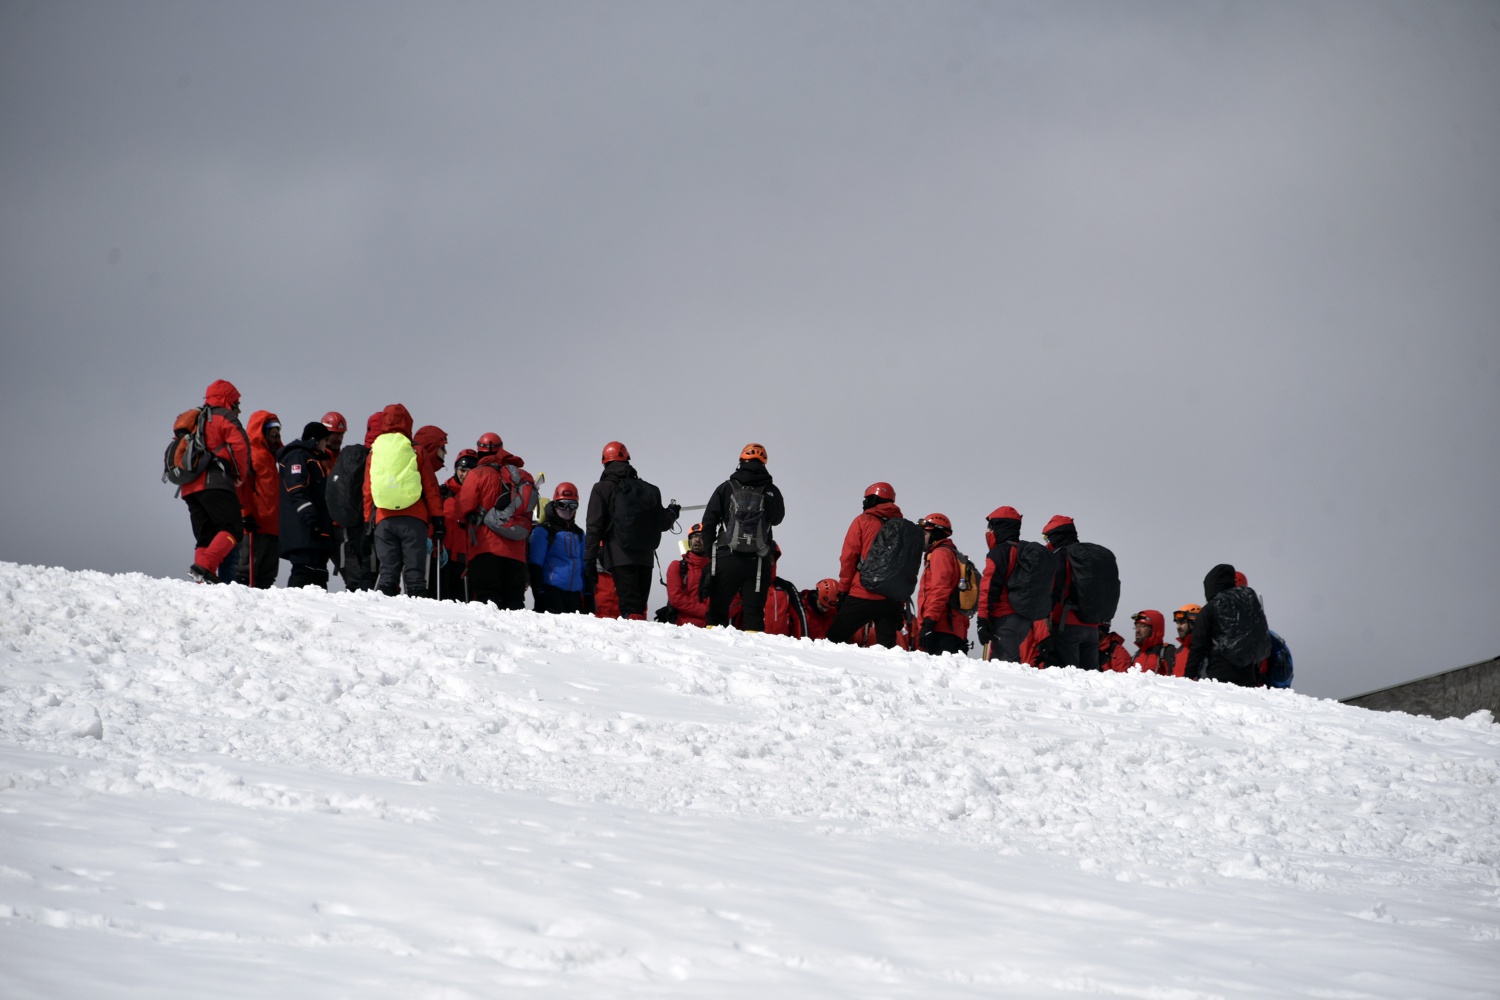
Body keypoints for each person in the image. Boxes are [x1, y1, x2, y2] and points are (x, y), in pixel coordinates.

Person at [583, 441, 679, 621]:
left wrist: (589, 560)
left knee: (630, 608)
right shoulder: (646, 489)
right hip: (646, 558)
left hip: (620, 556)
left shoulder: (602, 488)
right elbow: (664, 523)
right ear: (627, 460)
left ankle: (633, 637)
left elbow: (594, 527)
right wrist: (673, 513)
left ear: (605, 462)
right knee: (639, 608)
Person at [697, 444, 785, 631]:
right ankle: (752, 647)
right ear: (764, 463)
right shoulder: (772, 490)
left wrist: (710, 555)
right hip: (757, 561)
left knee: (717, 611)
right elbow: (777, 519)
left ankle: (712, 646)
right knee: (754, 615)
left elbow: (709, 522)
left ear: (741, 461)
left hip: (727, 557)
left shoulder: (726, 487)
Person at [362, 404, 443, 597]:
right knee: (415, 575)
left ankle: (385, 610)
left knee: (388, 574)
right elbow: (431, 488)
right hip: (414, 519)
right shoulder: (416, 450)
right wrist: (438, 519)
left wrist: (367, 520)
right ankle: (417, 607)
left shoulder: (375, 452)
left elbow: (368, 490)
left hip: (384, 519)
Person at [180, 379, 254, 584]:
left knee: (205, 536)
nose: (239, 409)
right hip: (215, 482)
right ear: (229, 400)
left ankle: (201, 580)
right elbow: (240, 446)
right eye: (237, 404)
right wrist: (240, 475)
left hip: (189, 486)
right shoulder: (224, 416)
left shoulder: (195, 419)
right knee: (233, 528)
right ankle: (205, 567)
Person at [826, 483, 907, 648]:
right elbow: (906, 567)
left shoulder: (862, 521)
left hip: (863, 592)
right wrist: (900, 602)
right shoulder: (903, 527)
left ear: (873, 499)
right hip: (891, 598)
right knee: (888, 650)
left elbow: (848, 558)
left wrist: (843, 590)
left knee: (833, 640)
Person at [457, 439, 535, 609]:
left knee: (488, 600)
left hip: (486, 548)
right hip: (517, 553)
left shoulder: (477, 474)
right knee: (514, 602)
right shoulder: (521, 476)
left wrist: (462, 520)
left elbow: (464, 505)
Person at [1185, 564, 1269, 686]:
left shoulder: (1210, 609)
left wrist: (1187, 679)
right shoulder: (1248, 608)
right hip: (1249, 677)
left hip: (1220, 677)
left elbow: (1197, 647)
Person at [277, 421, 336, 588]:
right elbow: (296, 487)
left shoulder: (316, 459)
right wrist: (311, 518)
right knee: (304, 569)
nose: (327, 444)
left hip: (317, 529)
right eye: (325, 440)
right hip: (303, 528)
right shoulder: (298, 456)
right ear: (315, 440)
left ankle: (319, 605)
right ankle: (294, 603)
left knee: (319, 573)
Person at [1040, 515, 1102, 670]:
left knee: (1066, 678)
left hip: (1066, 625)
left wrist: (1045, 614)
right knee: (1090, 679)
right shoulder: (1089, 556)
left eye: (1046, 538)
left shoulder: (1061, 555)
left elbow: (1054, 588)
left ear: (1054, 536)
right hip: (1092, 627)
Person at [974, 506, 1034, 664]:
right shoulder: (1025, 552)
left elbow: (989, 588)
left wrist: (982, 620)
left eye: (990, 527)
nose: (988, 531)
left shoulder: (999, 553)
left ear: (999, 527)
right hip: (1025, 620)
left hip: (1005, 620)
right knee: (1004, 666)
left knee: (1006, 669)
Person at [235, 410, 282, 589]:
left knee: (267, 576)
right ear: (261, 432)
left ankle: (263, 606)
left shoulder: (274, 458)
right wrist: (245, 514)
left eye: (278, 433)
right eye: (272, 433)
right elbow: (243, 486)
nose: (276, 438)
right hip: (254, 525)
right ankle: (240, 603)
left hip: (273, 526)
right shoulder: (251, 455)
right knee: (246, 572)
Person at [915, 513, 971, 655]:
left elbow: (940, 590)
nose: (921, 538)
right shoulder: (952, 554)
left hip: (941, 629)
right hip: (950, 628)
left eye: (924, 533)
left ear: (935, 534)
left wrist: (929, 622)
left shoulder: (940, 554)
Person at [528, 482, 588, 614]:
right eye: (562, 504)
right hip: (552, 591)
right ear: (555, 505)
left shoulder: (579, 533)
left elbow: (584, 565)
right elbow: (535, 563)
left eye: (572, 505)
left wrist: (588, 594)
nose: (567, 510)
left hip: (575, 594)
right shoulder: (544, 531)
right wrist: (539, 591)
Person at [413, 425, 449, 598]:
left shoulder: (415, 469)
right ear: (432, 447)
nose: (445, 453)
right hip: (416, 537)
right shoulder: (421, 472)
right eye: (442, 447)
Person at [438, 449, 477, 601]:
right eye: (462, 470)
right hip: (443, 557)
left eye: (470, 471)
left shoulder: (479, 498)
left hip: (465, 560)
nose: (465, 475)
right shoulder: (443, 493)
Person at [664, 523, 712, 627]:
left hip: (714, 629)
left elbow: (735, 600)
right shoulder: (677, 566)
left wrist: (719, 614)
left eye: (702, 536)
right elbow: (676, 598)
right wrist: (707, 611)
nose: (697, 539)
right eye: (694, 536)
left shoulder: (717, 569)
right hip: (684, 630)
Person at [1127, 610, 1177, 674]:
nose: (1137, 630)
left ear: (1154, 629)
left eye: (1143, 626)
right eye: (1136, 626)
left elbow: (1176, 678)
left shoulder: (1167, 652)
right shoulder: (1135, 656)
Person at [1170, 604, 1200, 678]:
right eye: (1177, 623)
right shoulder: (1178, 651)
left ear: (1195, 622)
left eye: (1182, 622)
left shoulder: (1206, 648)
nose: (1178, 627)